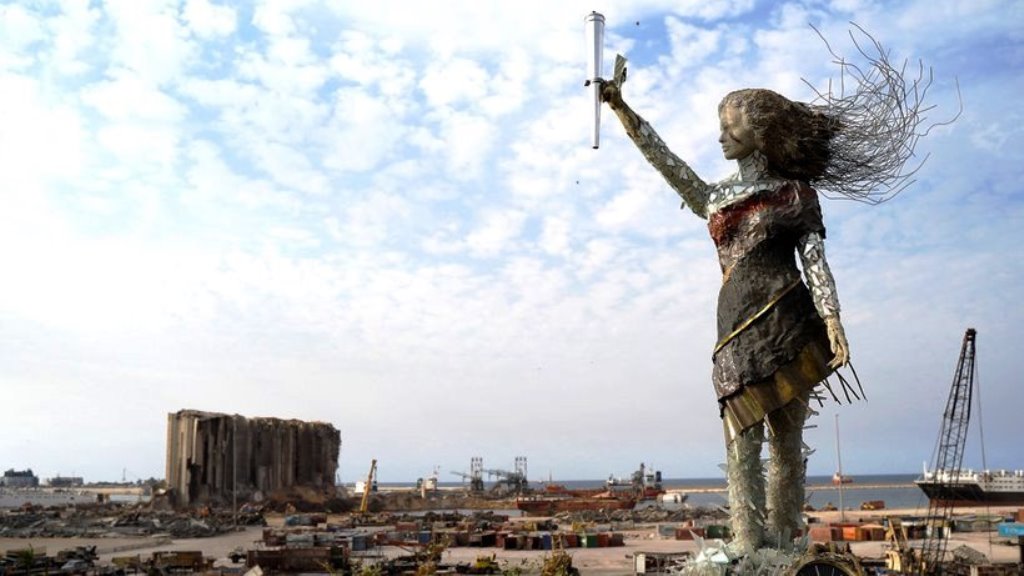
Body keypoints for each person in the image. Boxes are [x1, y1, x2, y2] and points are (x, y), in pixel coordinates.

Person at [599, 83, 854, 552]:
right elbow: (668, 164)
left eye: (729, 126)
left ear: (759, 133)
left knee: (786, 443)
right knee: (740, 441)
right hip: (733, 330)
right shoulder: (715, 198)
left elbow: (815, 261)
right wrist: (621, 109)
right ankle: (746, 544)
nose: (721, 136)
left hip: (790, 321)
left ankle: (781, 542)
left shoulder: (795, 194)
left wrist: (833, 320)